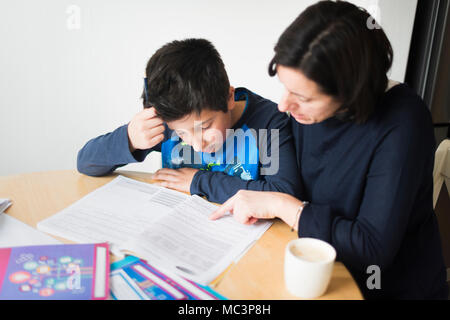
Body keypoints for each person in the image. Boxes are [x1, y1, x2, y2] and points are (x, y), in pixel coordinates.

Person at [210, 1, 449, 299]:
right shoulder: (304, 113)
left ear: (350, 92)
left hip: (385, 287)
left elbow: (372, 249)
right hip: (318, 265)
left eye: (301, 97)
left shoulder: (403, 124)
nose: (284, 105)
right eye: (284, 87)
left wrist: (284, 206)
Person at [77, 38, 302, 204]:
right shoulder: (171, 119)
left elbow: (284, 195)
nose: (196, 144)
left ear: (229, 97)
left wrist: (199, 182)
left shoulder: (269, 123)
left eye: (204, 127)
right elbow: (86, 163)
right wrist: (129, 139)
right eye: (182, 134)